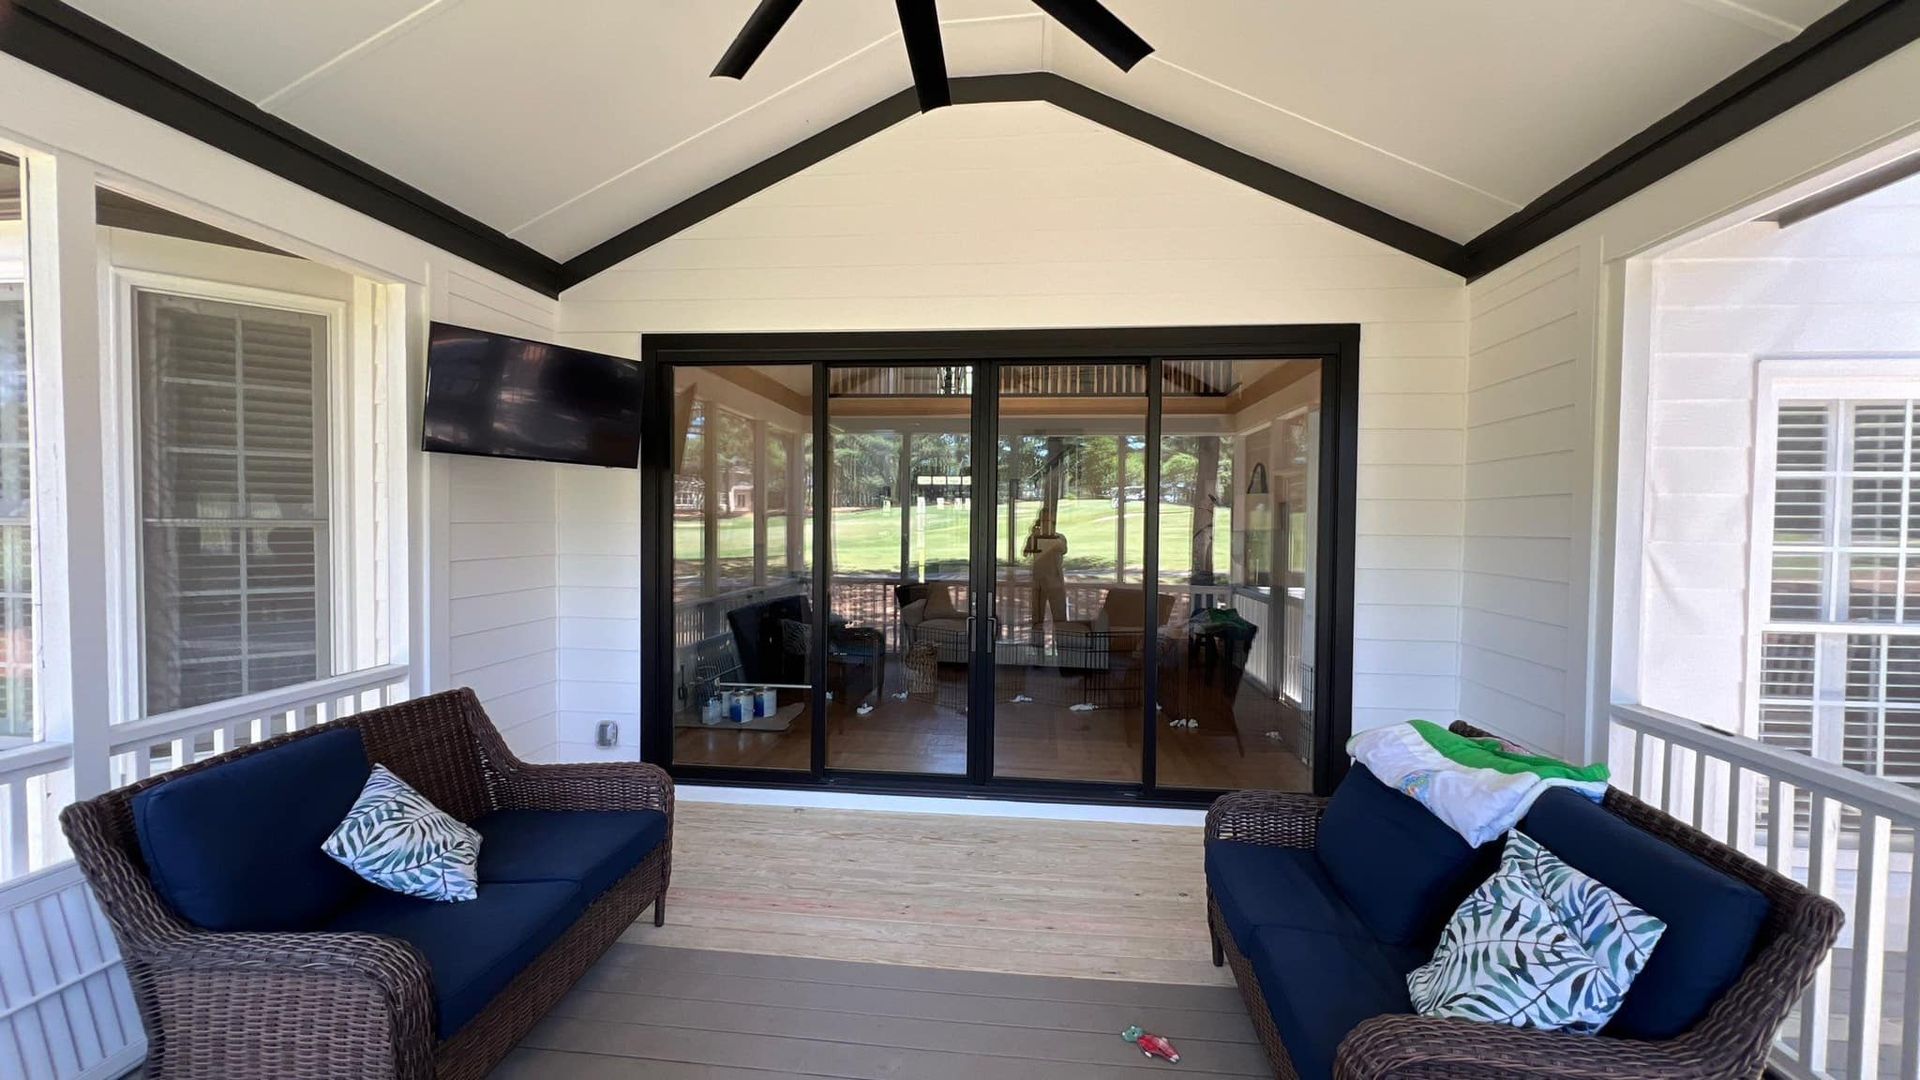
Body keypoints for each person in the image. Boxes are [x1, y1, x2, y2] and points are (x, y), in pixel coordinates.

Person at [1024, 509, 1068, 644]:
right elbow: (1026, 552)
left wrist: (1050, 538)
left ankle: (1063, 647)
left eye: (1050, 521)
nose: (1048, 524)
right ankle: (1037, 649)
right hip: (1038, 583)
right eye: (1044, 521)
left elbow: (1063, 549)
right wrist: (1034, 536)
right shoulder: (1034, 537)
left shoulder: (1059, 538)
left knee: (1060, 617)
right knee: (1037, 618)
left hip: (1055, 583)